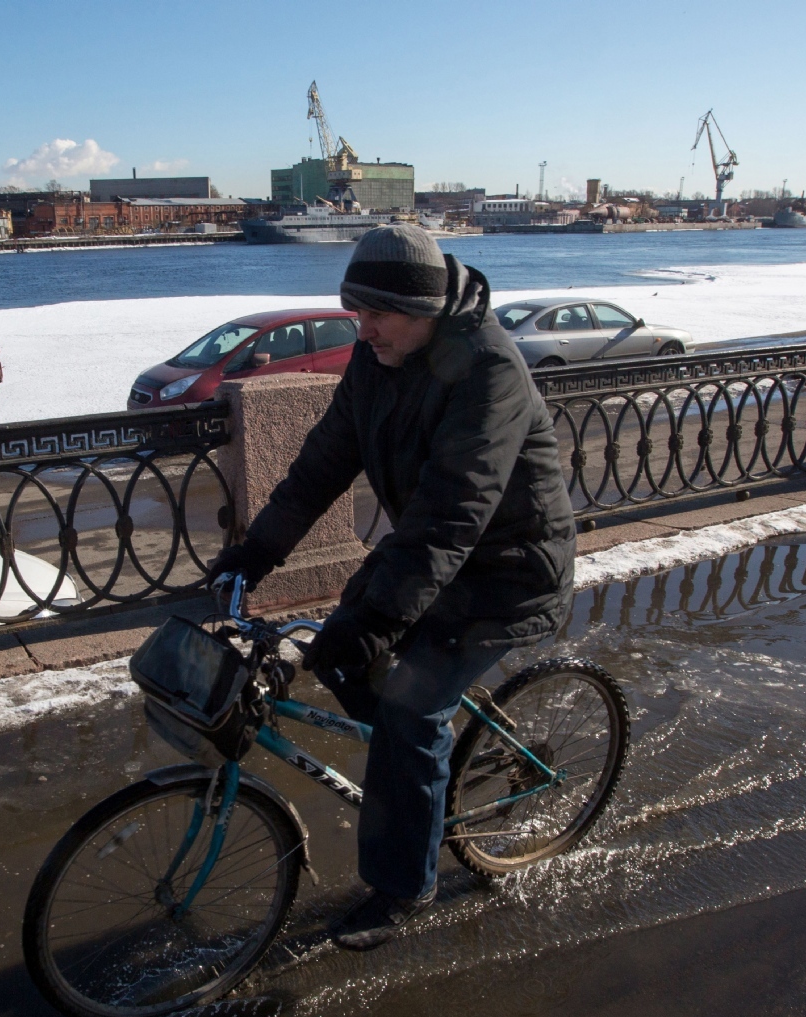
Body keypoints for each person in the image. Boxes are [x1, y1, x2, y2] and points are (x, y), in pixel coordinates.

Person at [209, 224, 575, 951]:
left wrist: (376, 620)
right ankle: (418, 775)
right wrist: (255, 554)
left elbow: (452, 514)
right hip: (432, 560)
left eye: (378, 313)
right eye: (357, 310)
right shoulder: (379, 357)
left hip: (508, 575)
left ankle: (404, 885)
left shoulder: (489, 373)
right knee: (351, 655)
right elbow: (322, 464)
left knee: (409, 706)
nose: (362, 326)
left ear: (428, 308)